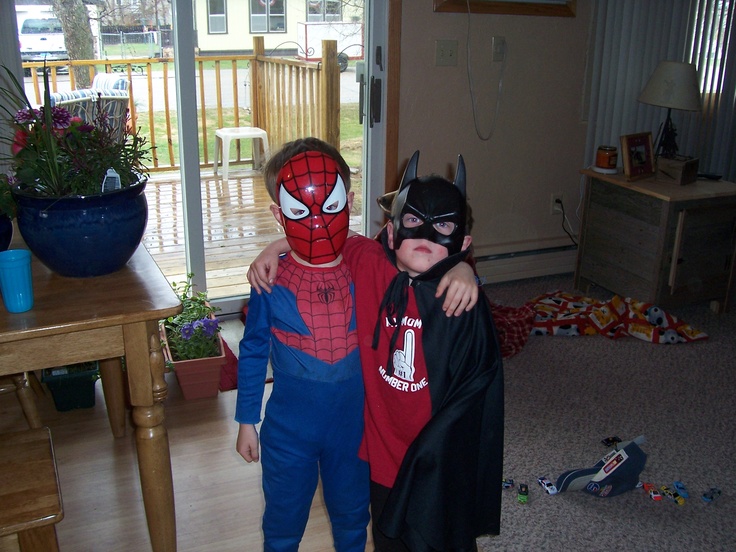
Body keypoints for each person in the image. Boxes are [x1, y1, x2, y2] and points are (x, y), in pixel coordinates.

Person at [249, 151, 504, 552]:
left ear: (463, 242)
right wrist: (276, 246)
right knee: (387, 533)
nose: (424, 237)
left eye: (443, 227)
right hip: (382, 451)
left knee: (440, 534)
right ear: (389, 233)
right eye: (413, 223)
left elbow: (479, 387)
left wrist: (464, 268)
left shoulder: (460, 299)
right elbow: (326, 235)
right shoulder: (369, 265)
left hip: (437, 458)